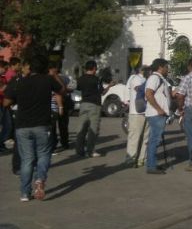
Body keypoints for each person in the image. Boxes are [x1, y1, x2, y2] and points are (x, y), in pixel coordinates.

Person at [3, 56, 64, 201]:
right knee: (43, 154)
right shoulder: (48, 80)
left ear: (29, 68)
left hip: (22, 125)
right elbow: (62, 90)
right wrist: (54, 75)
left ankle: (24, 193)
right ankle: (39, 180)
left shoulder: (19, 82)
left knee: (27, 159)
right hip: (42, 124)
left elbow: (6, 102)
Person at [75, 60, 115, 158]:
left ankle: (79, 150)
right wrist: (109, 86)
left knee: (82, 128)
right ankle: (90, 150)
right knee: (93, 128)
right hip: (94, 105)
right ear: (94, 68)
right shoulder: (96, 80)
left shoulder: (80, 79)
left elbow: (77, 88)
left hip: (83, 104)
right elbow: (102, 92)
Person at [144, 58, 171, 175]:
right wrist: (159, 109)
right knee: (154, 140)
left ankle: (152, 164)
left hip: (158, 114)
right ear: (160, 67)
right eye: (166, 67)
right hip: (156, 114)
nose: (168, 69)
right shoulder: (154, 78)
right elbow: (148, 94)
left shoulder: (159, 79)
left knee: (155, 140)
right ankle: (151, 166)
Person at [124, 66, 151, 168]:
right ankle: (131, 159)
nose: (150, 72)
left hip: (146, 112)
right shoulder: (136, 79)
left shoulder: (144, 79)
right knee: (134, 137)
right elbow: (139, 89)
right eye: (149, 71)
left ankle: (142, 159)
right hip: (136, 113)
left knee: (145, 138)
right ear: (142, 71)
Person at [47, 62, 70, 153]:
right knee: (52, 128)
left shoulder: (62, 77)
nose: (57, 70)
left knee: (62, 125)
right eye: (55, 68)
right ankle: (53, 144)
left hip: (59, 105)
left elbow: (65, 90)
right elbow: (62, 91)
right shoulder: (48, 78)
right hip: (53, 106)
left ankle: (63, 143)